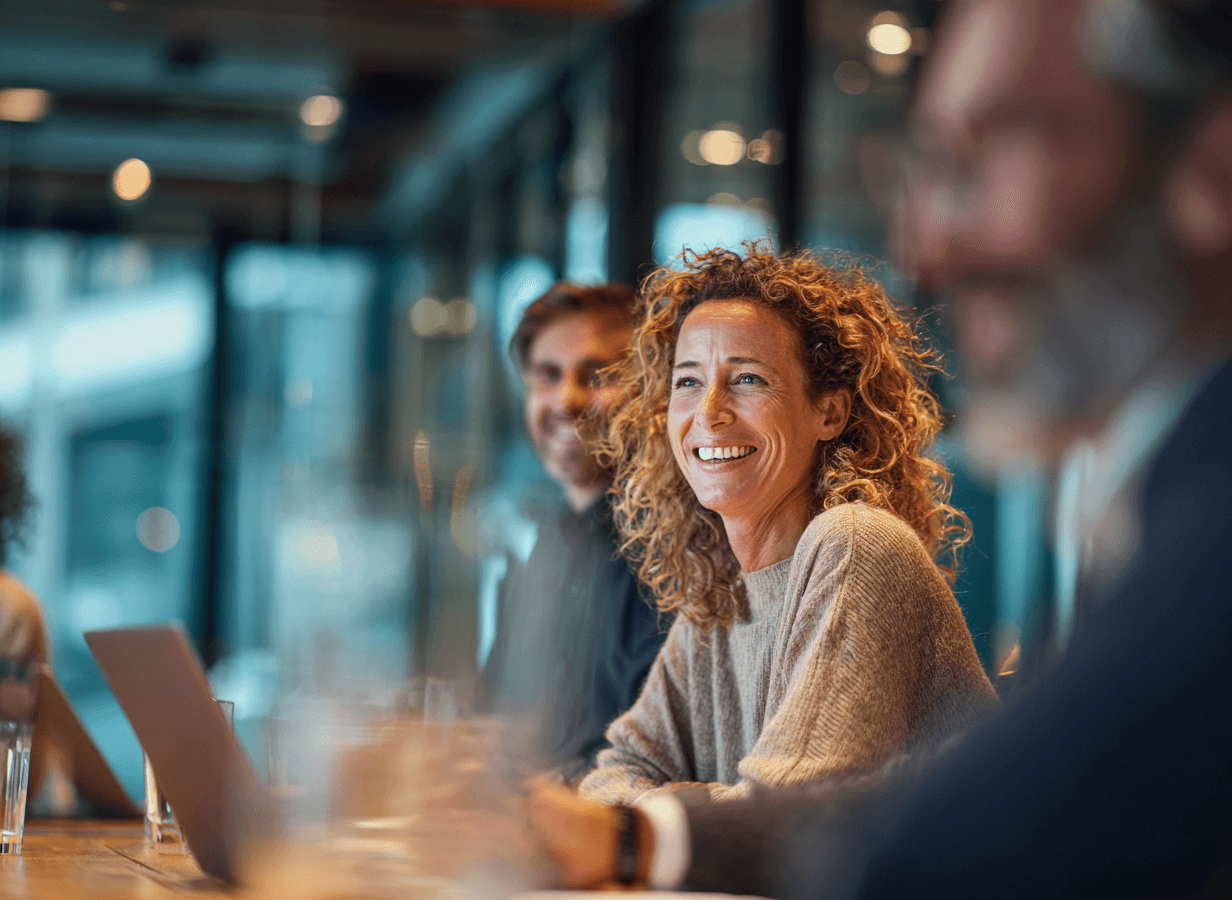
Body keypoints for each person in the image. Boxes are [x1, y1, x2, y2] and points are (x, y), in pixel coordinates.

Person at [531, 0, 1232, 896]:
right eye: (929, 168)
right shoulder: (1157, 493)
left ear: (1215, 168)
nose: (924, 244)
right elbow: (621, 769)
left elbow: (947, 833)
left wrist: (642, 827)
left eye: (990, 156)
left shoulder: (1205, 501)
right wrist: (641, 827)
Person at [573, 246, 995, 807]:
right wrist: (678, 805)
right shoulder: (718, 600)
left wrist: (681, 806)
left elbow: (785, 814)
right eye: (688, 382)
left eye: (747, 379)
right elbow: (612, 775)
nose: (709, 413)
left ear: (829, 413)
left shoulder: (857, 544)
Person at [476, 282, 666, 780]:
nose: (567, 399)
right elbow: (490, 723)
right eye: (548, 375)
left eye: (597, 375)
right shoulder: (547, 546)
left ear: (650, 392)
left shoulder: (671, 549)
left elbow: (651, 758)